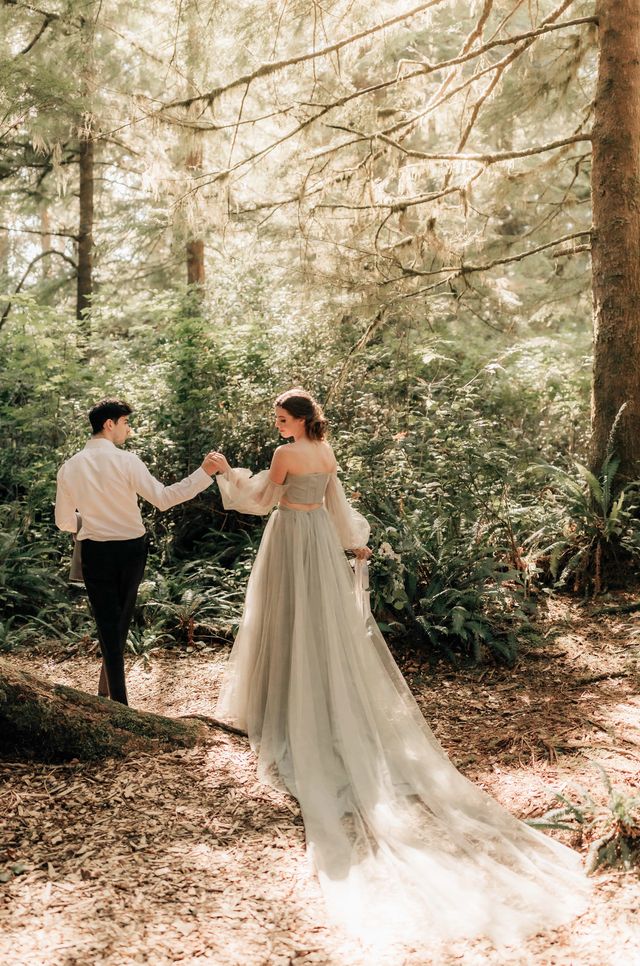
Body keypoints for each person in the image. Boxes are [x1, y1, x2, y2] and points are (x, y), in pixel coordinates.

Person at [208, 388, 589, 948]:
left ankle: (284, 703)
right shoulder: (325, 449)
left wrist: (224, 474)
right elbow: (336, 505)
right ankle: (291, 695)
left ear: (297, 420)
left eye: (282, 418)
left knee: (285, 617)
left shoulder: (286, 454)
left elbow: (262, 501)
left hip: (291, 539)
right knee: (317, 624)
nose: (278, 425)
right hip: (317, 539)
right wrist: (354, 543)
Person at [55, 398, 218, 706]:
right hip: (131, 550)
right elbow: (164, 498)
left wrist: (87, 519)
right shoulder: (127, 461)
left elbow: (64, 522)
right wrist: (203, 473)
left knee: (108, 622)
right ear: (109, 424)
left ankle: (108, 691)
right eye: (126, 423)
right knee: (119, 622)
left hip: (93, 551)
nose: (128, 430)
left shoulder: (69, 467)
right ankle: (120, 703)